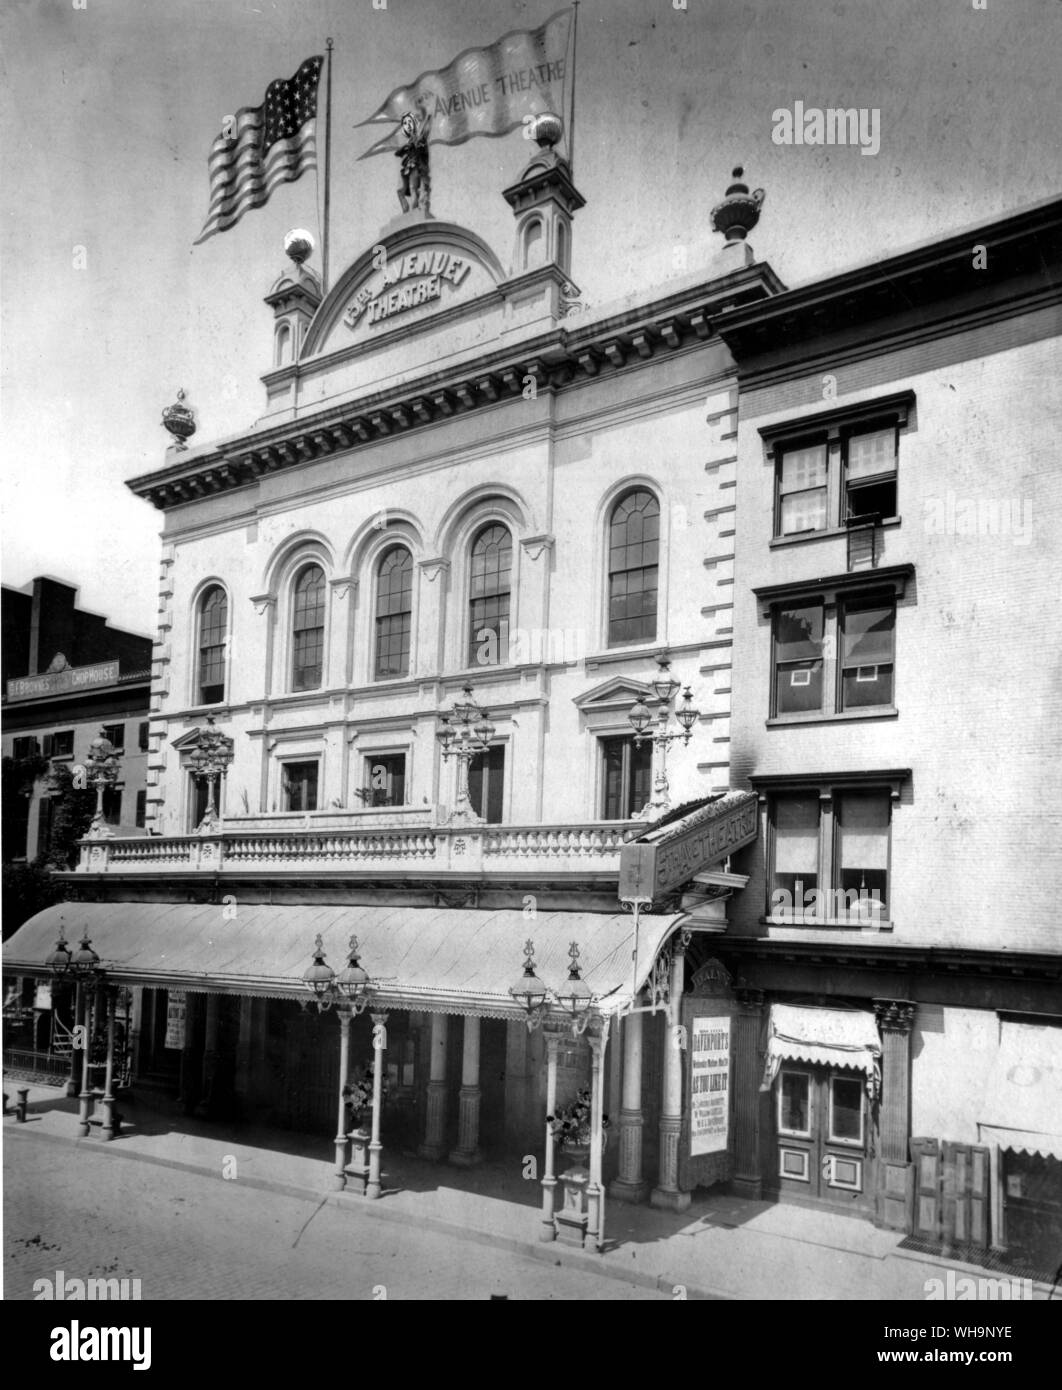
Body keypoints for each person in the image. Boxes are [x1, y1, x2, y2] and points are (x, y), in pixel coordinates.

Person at [395, 108, 432, 214]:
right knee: (401, 191)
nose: (408, 125)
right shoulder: (410, 140)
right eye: (405, 123)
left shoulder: (419, 137)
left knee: (413, 189)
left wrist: (427, 118)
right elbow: (398, 153)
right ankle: (407, 211)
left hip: (416, 165)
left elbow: (425, 132)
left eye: (410, 122)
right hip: (408, 167)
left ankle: (413, 211)